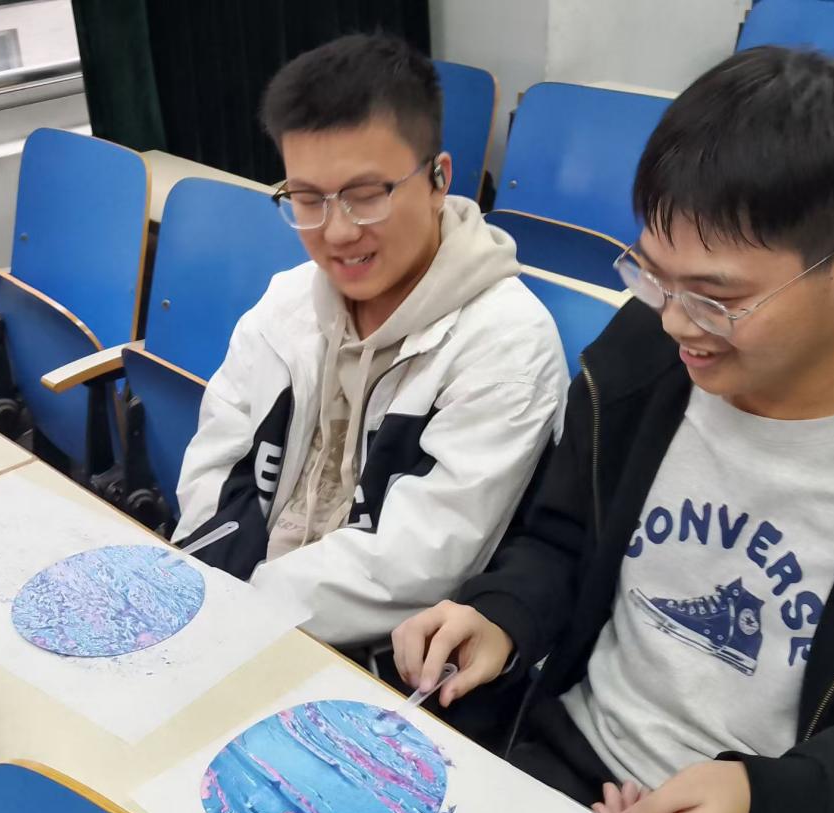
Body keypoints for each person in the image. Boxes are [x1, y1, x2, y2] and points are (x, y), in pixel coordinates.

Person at [392, 47, 834, 813]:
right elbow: (563, 540)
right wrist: (504, 612)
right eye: (651, 272)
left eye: (715, 297)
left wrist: (763, 800)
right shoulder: (650, 356)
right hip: (564, 774)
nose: (671, 320)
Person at [174, 34, 567, 655]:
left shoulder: (506, 346)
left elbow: (417, 564)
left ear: (438, 179)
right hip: (236, 609)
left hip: (375, 660)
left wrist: (241, 617)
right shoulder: (286, 304)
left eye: (365, 197)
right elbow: (214, 464)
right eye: (307, 200)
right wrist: (213, 599)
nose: (336, 232)